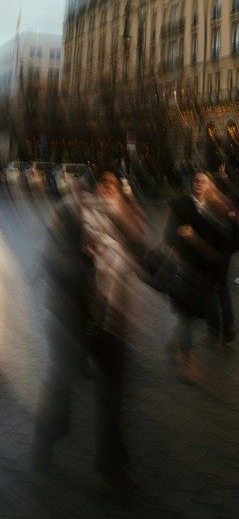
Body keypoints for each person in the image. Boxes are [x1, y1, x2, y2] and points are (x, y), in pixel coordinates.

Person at [32, 169, 148, 496]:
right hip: (72, 319)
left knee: (112, 396)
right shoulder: (67, 212)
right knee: (62, 388)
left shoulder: (119, 217)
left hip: (109, 320)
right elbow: (54, 263)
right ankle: (46, 436)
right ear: (91, 188)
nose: (112, 192)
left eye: (117, 186)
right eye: (106, 185)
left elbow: (142, 254)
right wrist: (85, 258)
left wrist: (170, 277)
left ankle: (111, 467)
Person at [165, 172, 239, 381]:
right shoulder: (181, 205)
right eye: (195, 180)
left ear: (210, 185)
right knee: (185, 315)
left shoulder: (218, 208)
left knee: (192, 311)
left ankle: (175, 344)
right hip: (186, 268)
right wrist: (179, 235)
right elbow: (168, 236)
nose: (198, 183)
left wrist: (231, 225)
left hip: (208, 270)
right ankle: (191, 366)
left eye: (203, 181)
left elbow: (228, 239)